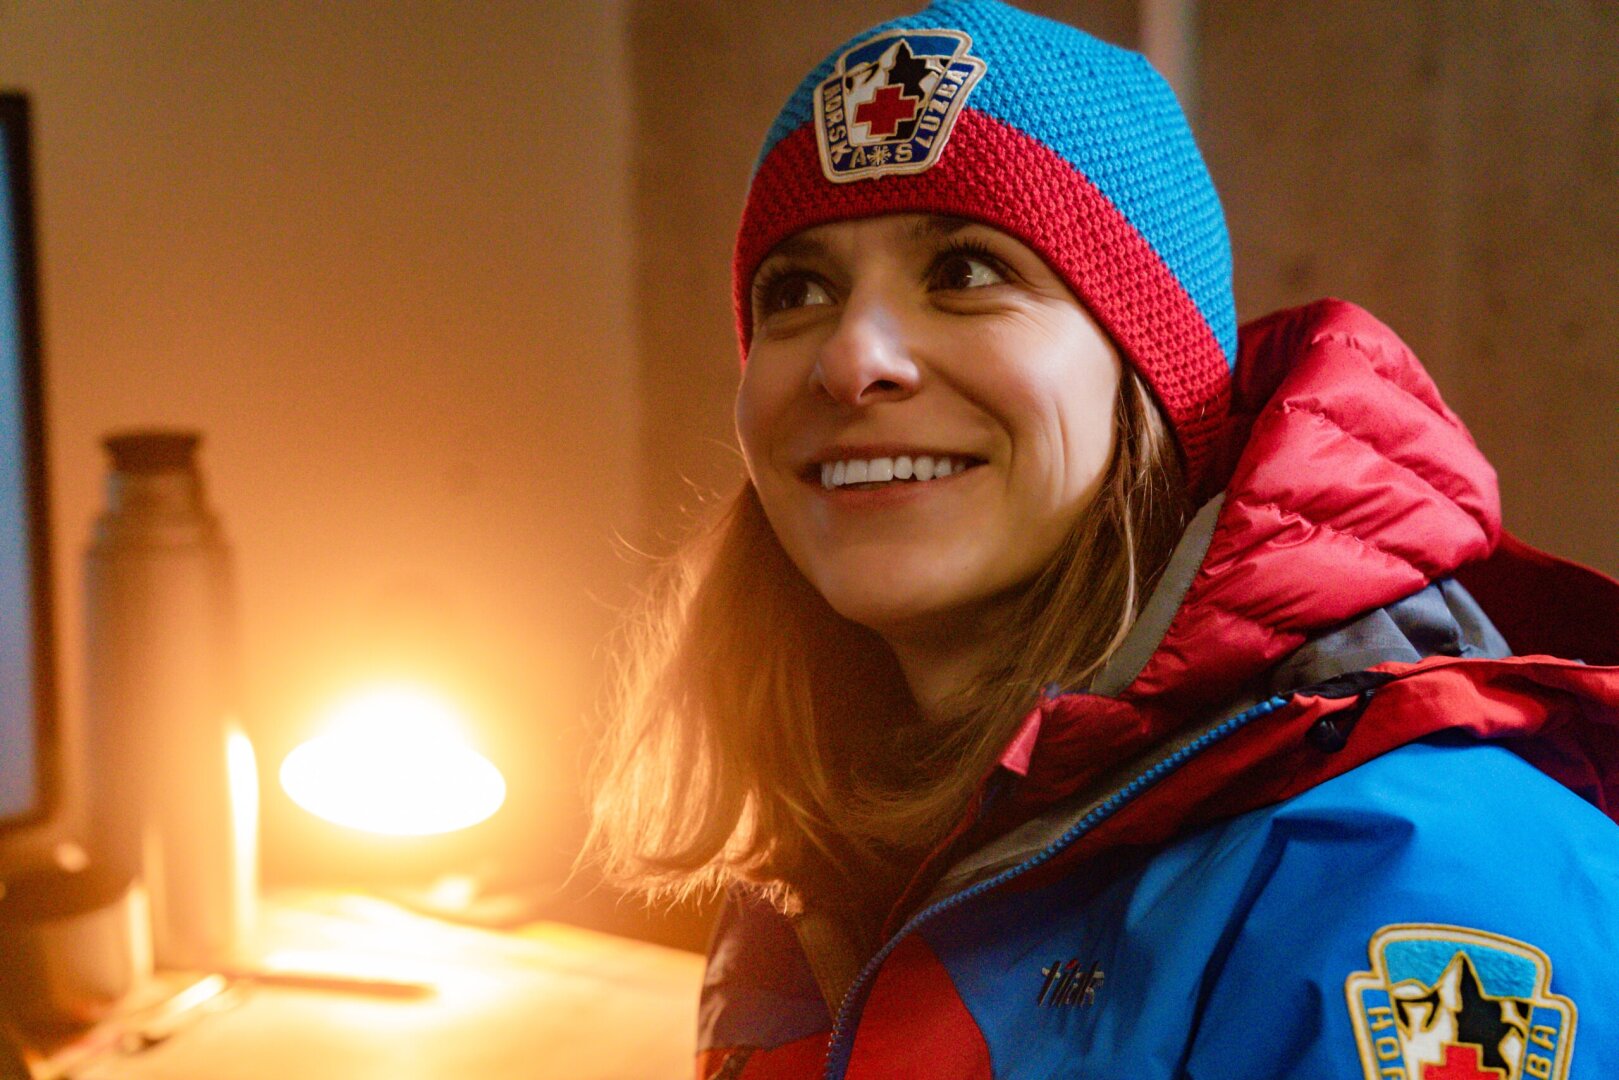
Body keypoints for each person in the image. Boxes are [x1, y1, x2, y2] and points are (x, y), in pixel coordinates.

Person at [587, 1, 1619, 1076]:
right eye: (797, 291)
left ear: (1152, 382)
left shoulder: (1407, 884)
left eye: (964, 274)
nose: (850, 361)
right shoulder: (827, 860)